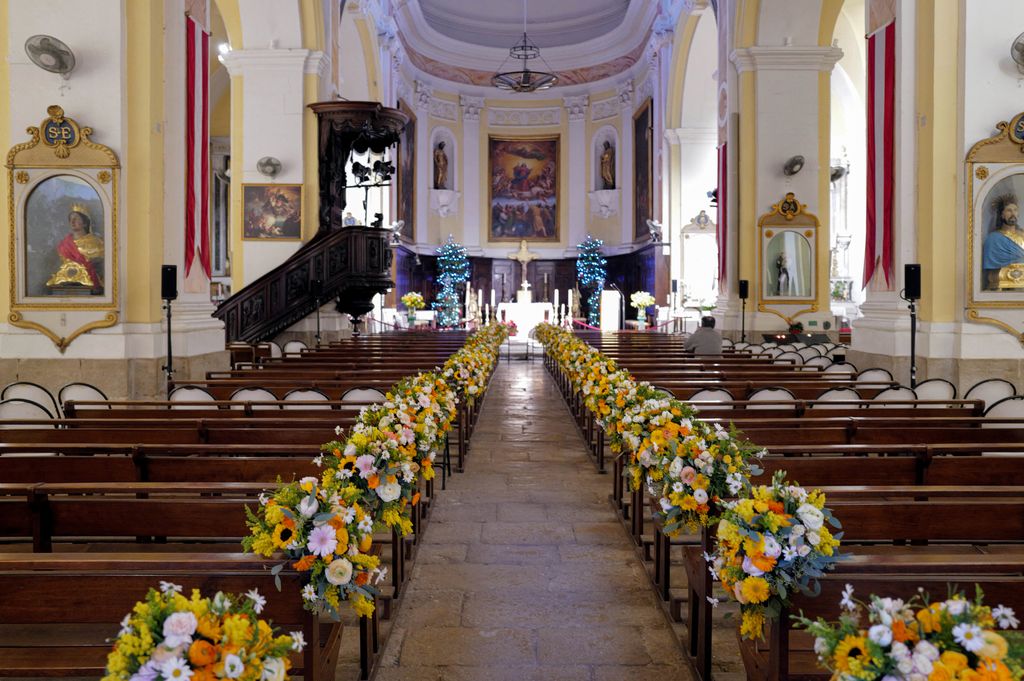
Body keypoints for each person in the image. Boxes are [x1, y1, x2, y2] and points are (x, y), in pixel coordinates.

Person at [46, 208, 104, 293]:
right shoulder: (63, 245)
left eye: (76, 219)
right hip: (68, 283)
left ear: (84, 223)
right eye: (70, 219)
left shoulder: (97, 242)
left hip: (92, 285)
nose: (72, 222)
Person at [982, 194, 1023, 290]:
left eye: (1015, 210)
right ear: (1002, 214)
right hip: (1007, 286)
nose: (1013, 213)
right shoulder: (994, 239)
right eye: (1009, 210)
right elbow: (992, 274)